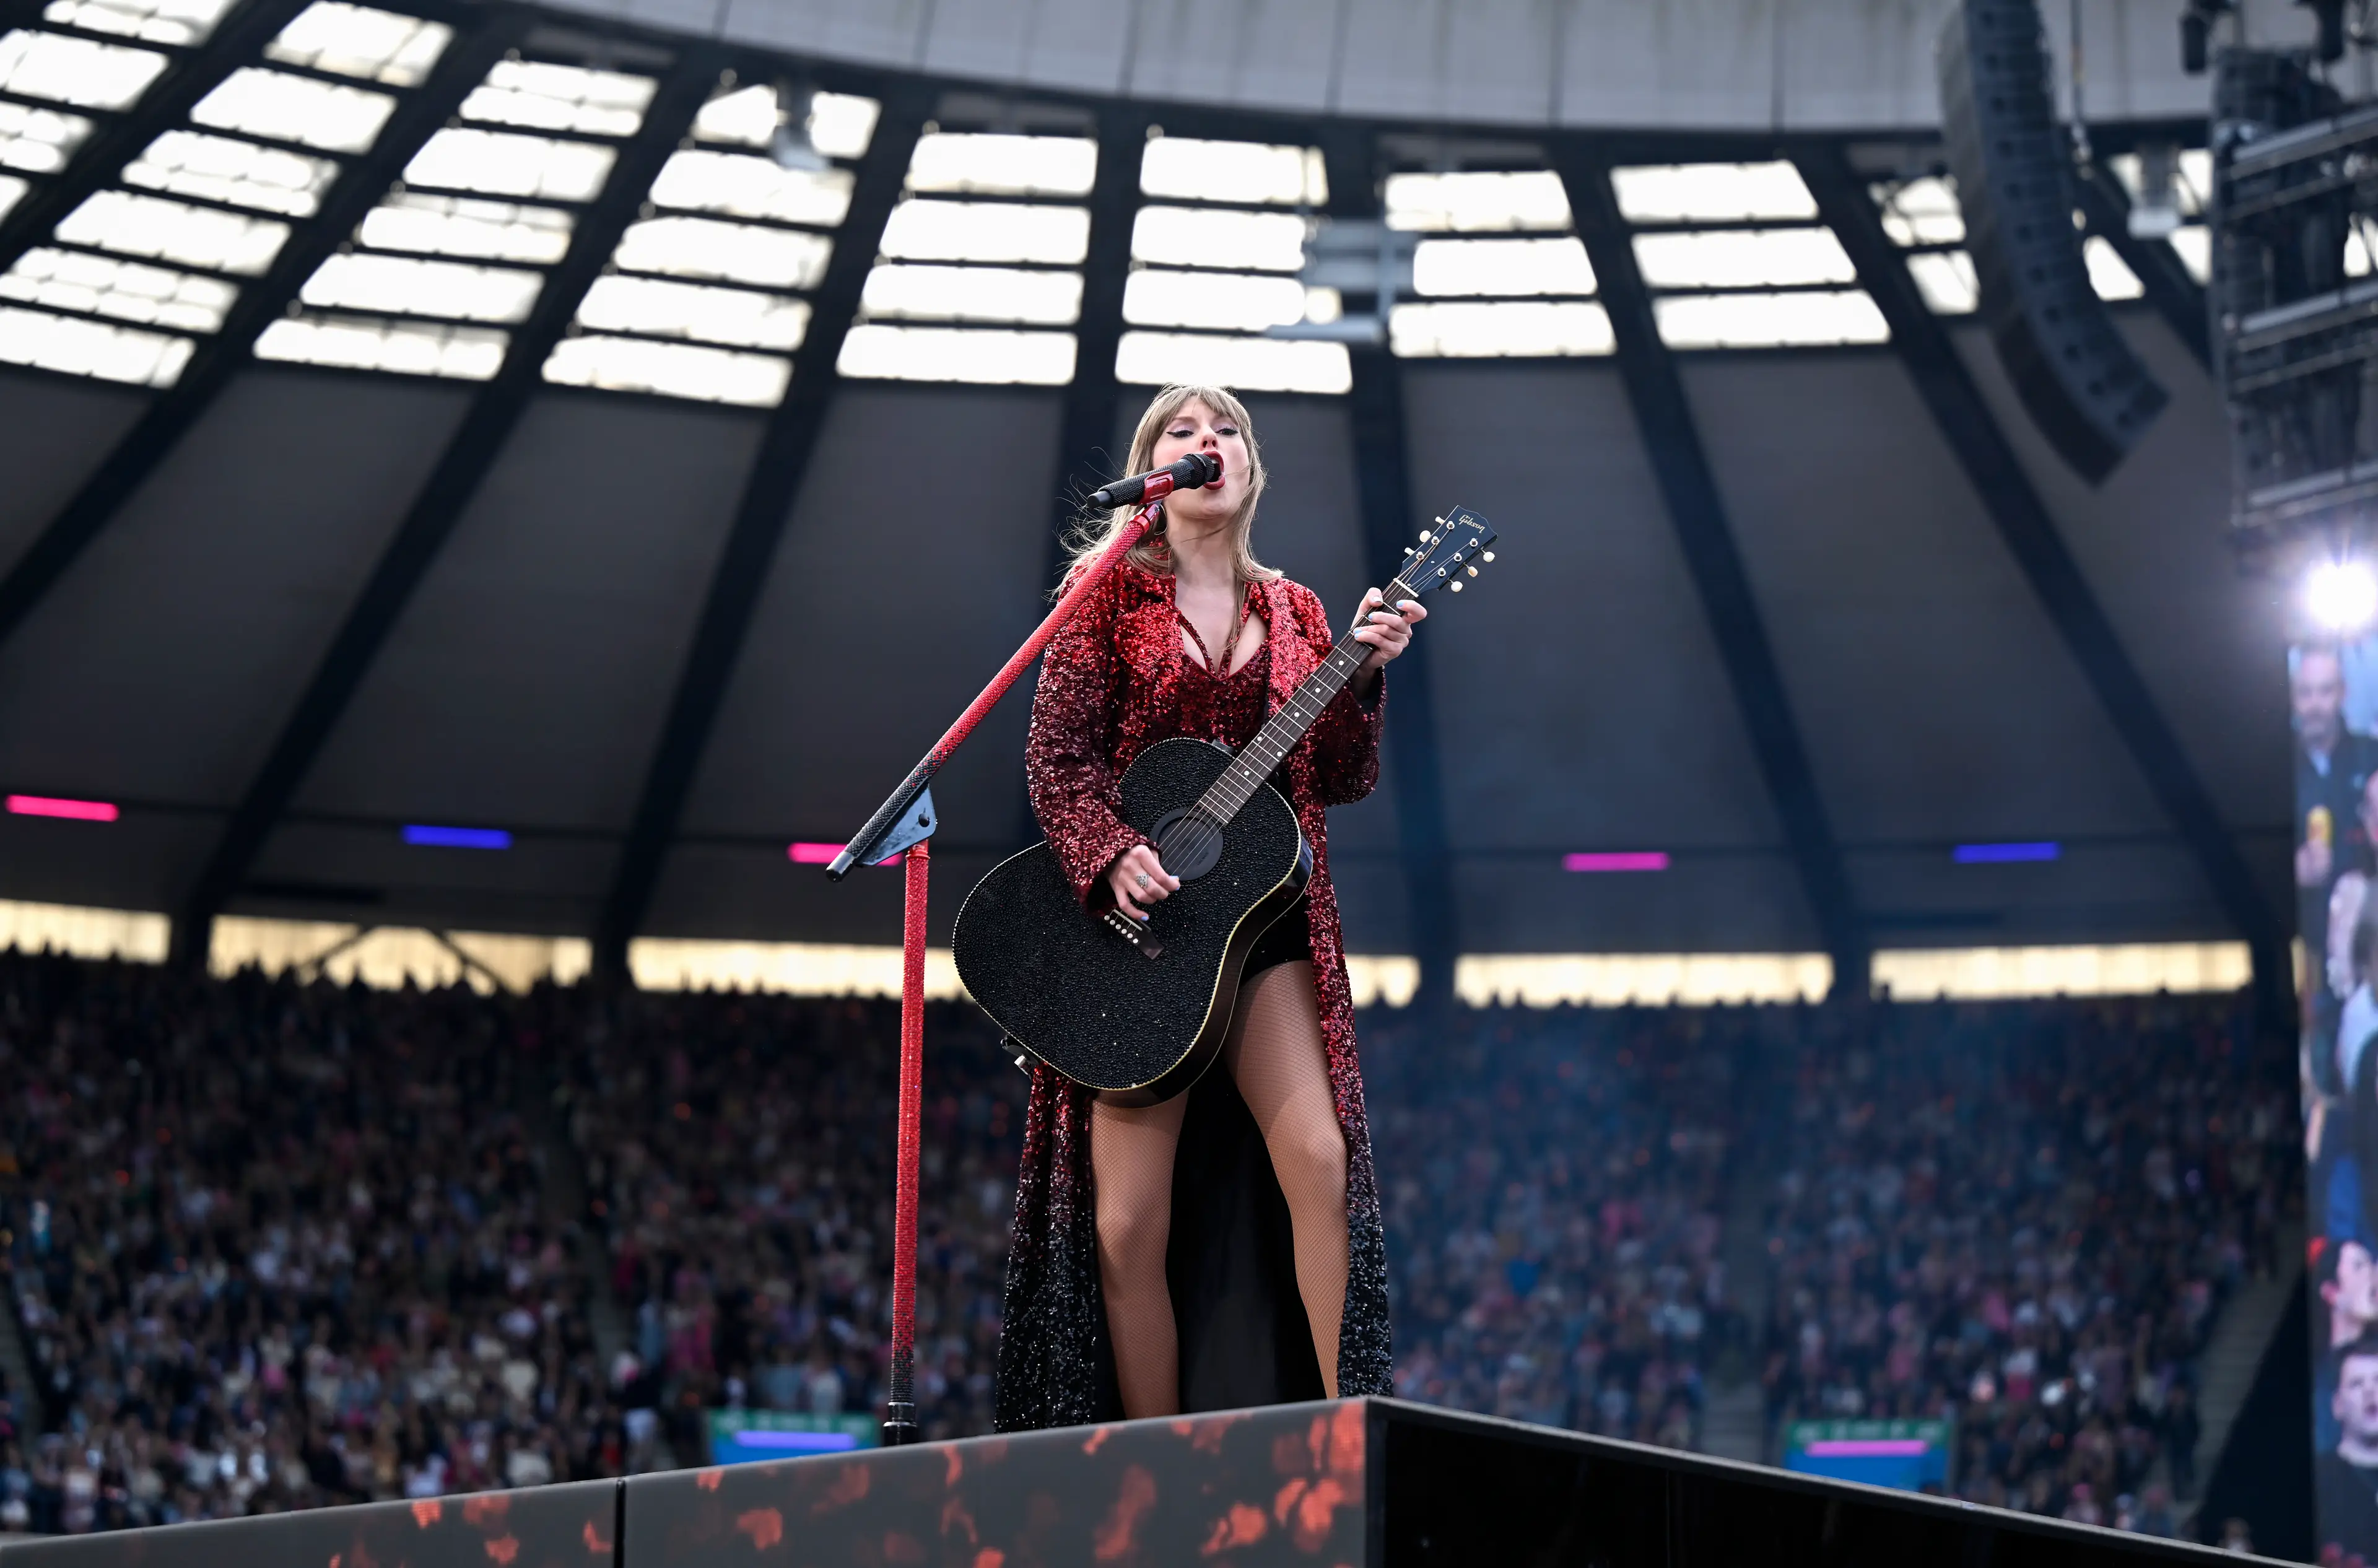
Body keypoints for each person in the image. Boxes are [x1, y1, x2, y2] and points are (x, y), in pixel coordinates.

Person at [995, 384, 1424, 1429]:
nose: (1207, 442)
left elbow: (1341, 775)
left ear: (1249, 465)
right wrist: (1110, 857)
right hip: (1142, 938)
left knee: (1319, 1163)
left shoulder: (1300, 612)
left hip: (1264, 932)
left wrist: (1363, 680)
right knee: (1129, 1221)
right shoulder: (1103, 598)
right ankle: (1156, 1454)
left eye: (1225, 429)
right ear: (1156, 471)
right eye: (1182, 432)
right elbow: (1058, 763)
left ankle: (1343, 1428)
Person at [2322, 1340, 2378, 1556]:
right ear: (2338, 1405)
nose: (2370, 1392)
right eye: (2357, 1384)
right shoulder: (2322, 1478)